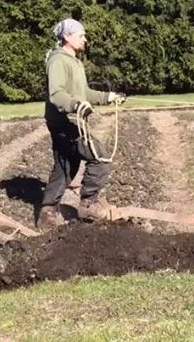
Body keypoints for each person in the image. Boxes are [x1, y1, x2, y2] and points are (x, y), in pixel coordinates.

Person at [37, 18, 126, 230]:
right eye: (81, 35)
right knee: (100, 156)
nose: (85, 39)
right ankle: (88, 204)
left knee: (65, 166)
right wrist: (76, 105)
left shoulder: (75, 61)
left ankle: (47, 213)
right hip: (63, 122)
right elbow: (57, 94)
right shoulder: (58, 61)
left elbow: (84, 93)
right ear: (67, 36)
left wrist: (109, 97)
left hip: (69, 121)